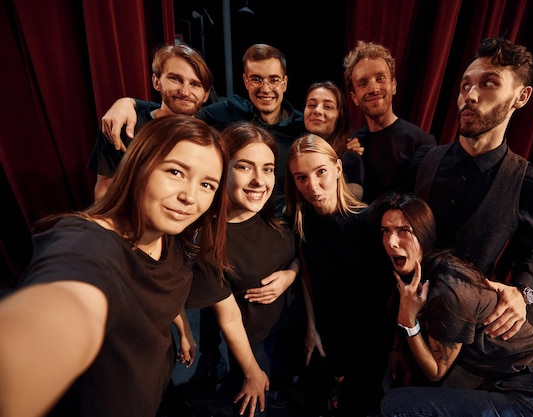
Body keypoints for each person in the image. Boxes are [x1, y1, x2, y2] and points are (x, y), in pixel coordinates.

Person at [0, 115, 273, 417]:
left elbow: (163, 287)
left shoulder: (174, 236)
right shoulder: (87, 244)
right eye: (175, 172)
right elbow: (68, 303)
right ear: (139, 164)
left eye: (207, 184)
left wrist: (183, 329)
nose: (189, 196)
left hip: (155, 388)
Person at [368, 192, 533, 417]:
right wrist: (398, 348)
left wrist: (407, 321)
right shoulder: (425, 273)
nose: (391, 242)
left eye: (404, 231)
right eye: (386, 231)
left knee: (396, 405)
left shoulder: (449, 292)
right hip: (520, 385)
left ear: (424, 234)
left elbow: (436, 370)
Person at [412, 37, 533, 342]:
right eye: (465, 86)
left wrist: (522, 293)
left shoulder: (531, 184)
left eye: (489, 83)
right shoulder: (425, 160)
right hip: (402, 306)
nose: (471, 96)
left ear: (521, 96)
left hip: (462, 328)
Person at [185, 121, 306, 416]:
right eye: (244, 167)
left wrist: (290, 275)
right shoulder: (207, 238)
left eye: (267, 168)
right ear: (222, 168)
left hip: (293, 326)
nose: (259, 180)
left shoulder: (278, 210)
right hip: (255, 343)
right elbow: (228, 316)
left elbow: (302, 252)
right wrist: (251, 370)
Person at [284, 134, 395, 417]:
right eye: (301, 177)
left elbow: (383, 297)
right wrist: (311, 328)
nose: (313, 186)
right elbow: (307, 276)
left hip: (366, 337)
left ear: (337, 168)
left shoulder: (368, 222)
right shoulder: (301, 221)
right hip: (324, 330)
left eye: (320, 172)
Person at [100, 43, 305, 196]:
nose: (266, 88)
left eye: (274, 80)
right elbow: (180, 110)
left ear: (285, 83)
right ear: (245, 81)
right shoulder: (230, 111)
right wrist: (129, 103)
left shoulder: (302, 126)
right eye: (256, 79)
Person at [89, 43, 215, 200]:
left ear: (205, 94)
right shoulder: (125, 125)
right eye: (175, 79)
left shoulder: (210, 139)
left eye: (195, 84)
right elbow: (105, 189)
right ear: (157, 82)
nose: (185, 92)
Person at [343, 40, 436, 203]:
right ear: (354, 97)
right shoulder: (352, 145)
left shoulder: (422, 142)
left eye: (380, 78)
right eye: (363, 83)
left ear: (393, 85)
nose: (373, 89)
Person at [303, 80, 365, 200]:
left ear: (340, 115)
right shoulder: (297, 151)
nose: (317, 110)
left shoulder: (349, 156)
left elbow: (353, 200)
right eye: (311, 105)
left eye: (328, 107)